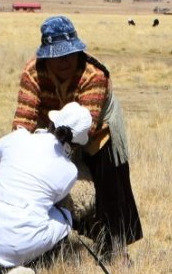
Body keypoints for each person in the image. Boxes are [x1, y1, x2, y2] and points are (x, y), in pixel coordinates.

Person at [13, 15, 143, 261]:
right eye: (57, 56)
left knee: (110, 182)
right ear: (46, 57)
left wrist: (55, 145)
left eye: (69, 54)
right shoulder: (32, 73)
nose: (64, 61)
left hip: (98, 127)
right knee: (38, 177)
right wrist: (19, 151)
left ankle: (115, 248)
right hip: (50, 127)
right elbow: (24, 118)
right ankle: (44, 243)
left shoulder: (94, 75)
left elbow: (86, 127)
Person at [0, 102, 93, 274]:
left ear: (52, 122)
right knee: (65, 216)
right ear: (76, 144)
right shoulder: (69, 171)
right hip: (18, 244)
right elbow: (53, 202)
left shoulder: (18, 137)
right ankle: (32, 263)